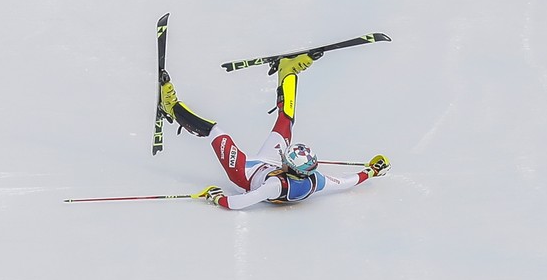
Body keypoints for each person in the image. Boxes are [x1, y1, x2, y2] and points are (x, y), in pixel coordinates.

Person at [159, 53, 390, 209]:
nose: (284, 158)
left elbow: (238, 203)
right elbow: (346, 182)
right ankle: (287, 72)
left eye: (286, 160)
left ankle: (171, 107)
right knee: (286, 121)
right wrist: (371, 171)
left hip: (246, 175)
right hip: (266, 164)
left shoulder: (274, 186)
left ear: (291, 170)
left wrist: (215, 197)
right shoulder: (314, 179)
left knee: (214, 131)